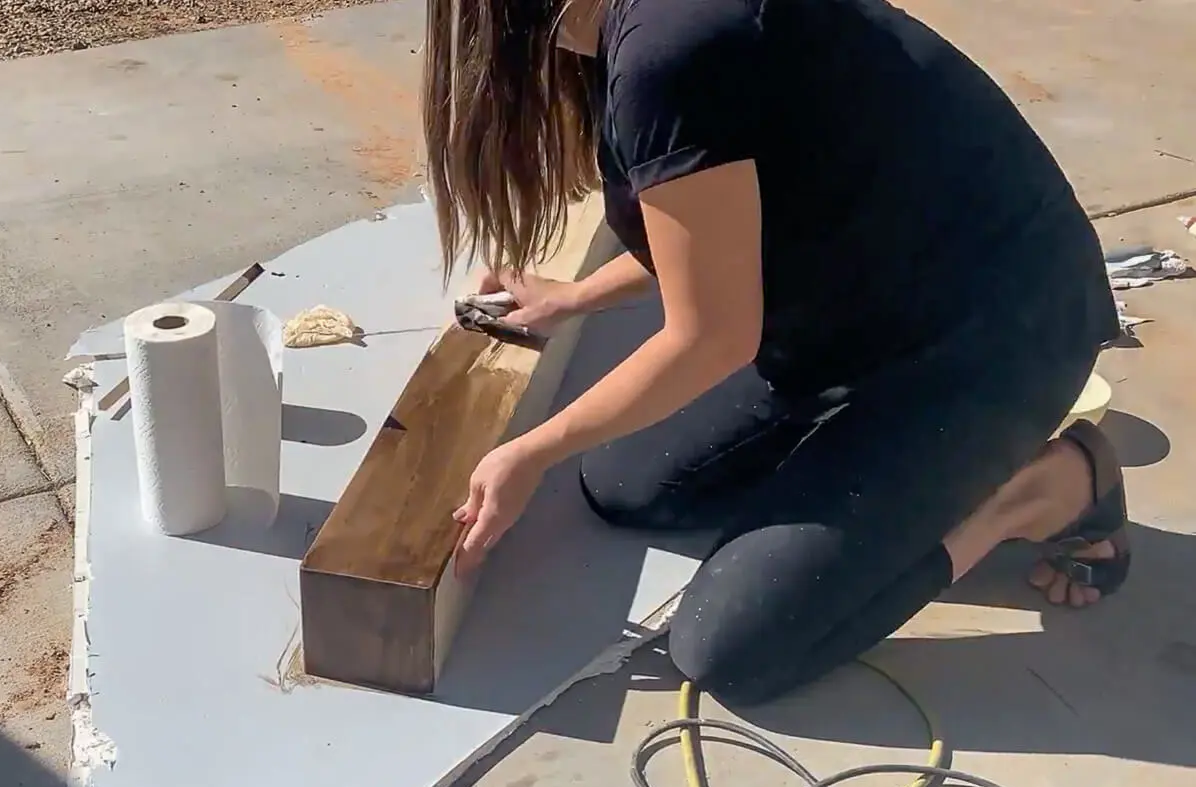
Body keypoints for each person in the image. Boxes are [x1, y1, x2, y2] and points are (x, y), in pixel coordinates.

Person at [424, 0, 1130, 705]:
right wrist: (575, 298)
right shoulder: (642, 28)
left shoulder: (671, 47)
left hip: (989, 339)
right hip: (857, 302)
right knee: (625, 484)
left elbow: (713, 335)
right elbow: (723, 216)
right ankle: (879, 472)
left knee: (731, 649)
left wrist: (531, 450)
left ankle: (1036, 490)